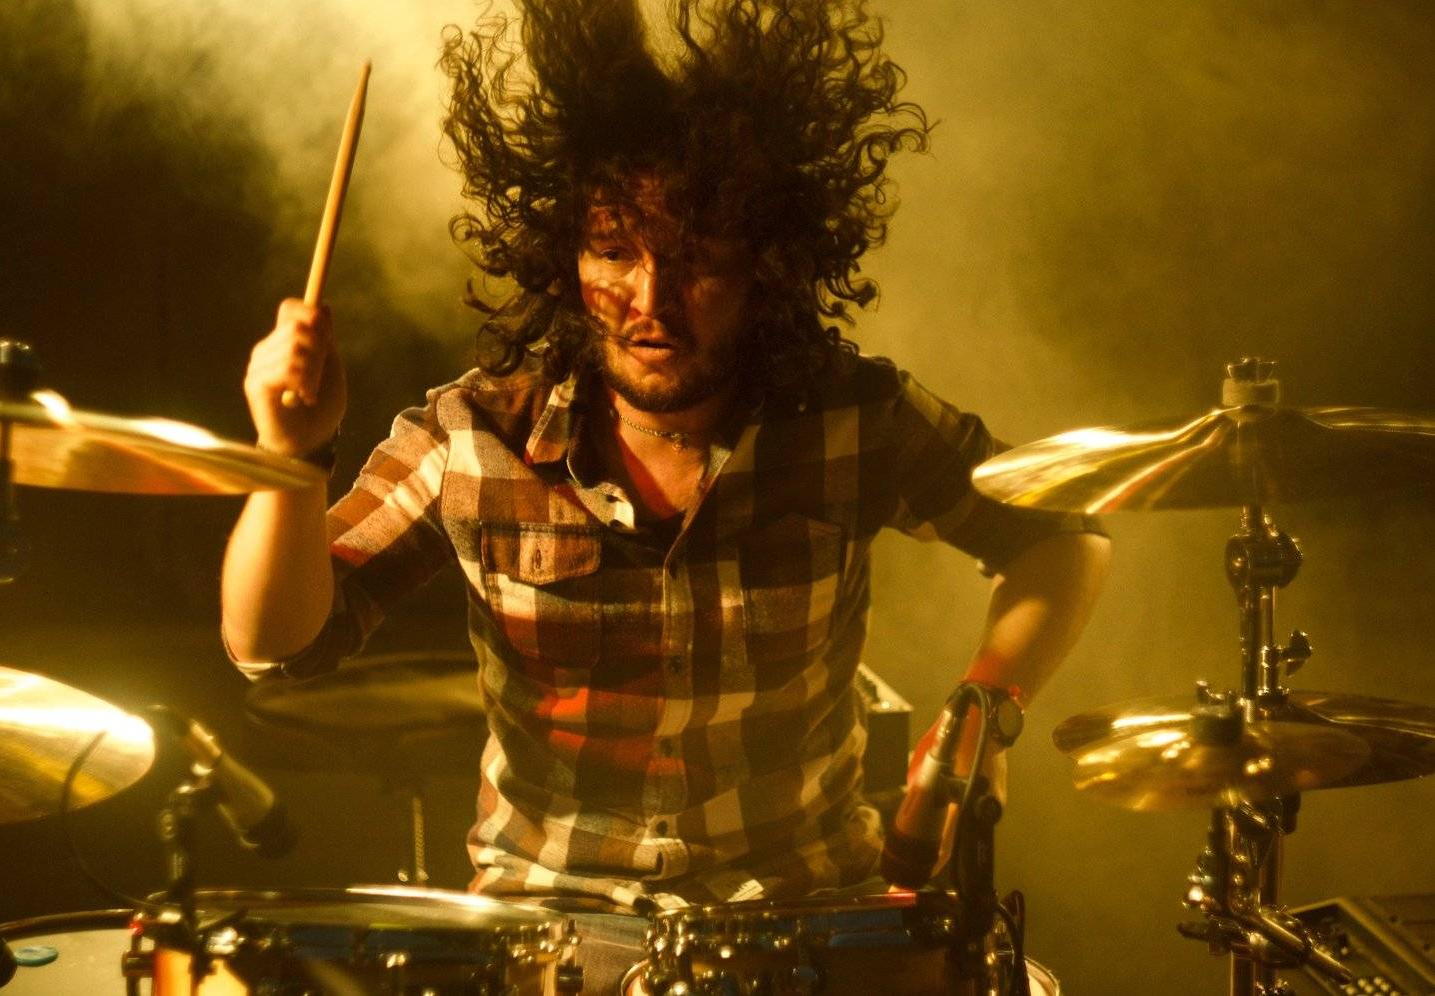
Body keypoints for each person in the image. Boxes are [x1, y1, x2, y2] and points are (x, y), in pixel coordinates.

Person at [221, 0, 1110, 989]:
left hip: (809, 926)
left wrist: (987, 704)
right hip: (553, 939)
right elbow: (273, 642)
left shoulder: (853, 418)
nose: (649, 301)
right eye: (614, 251)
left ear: (765, 265)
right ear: (567, 254)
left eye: (697, 260)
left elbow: (1061, 532)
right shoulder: (473, 437)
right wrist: (289, 456)